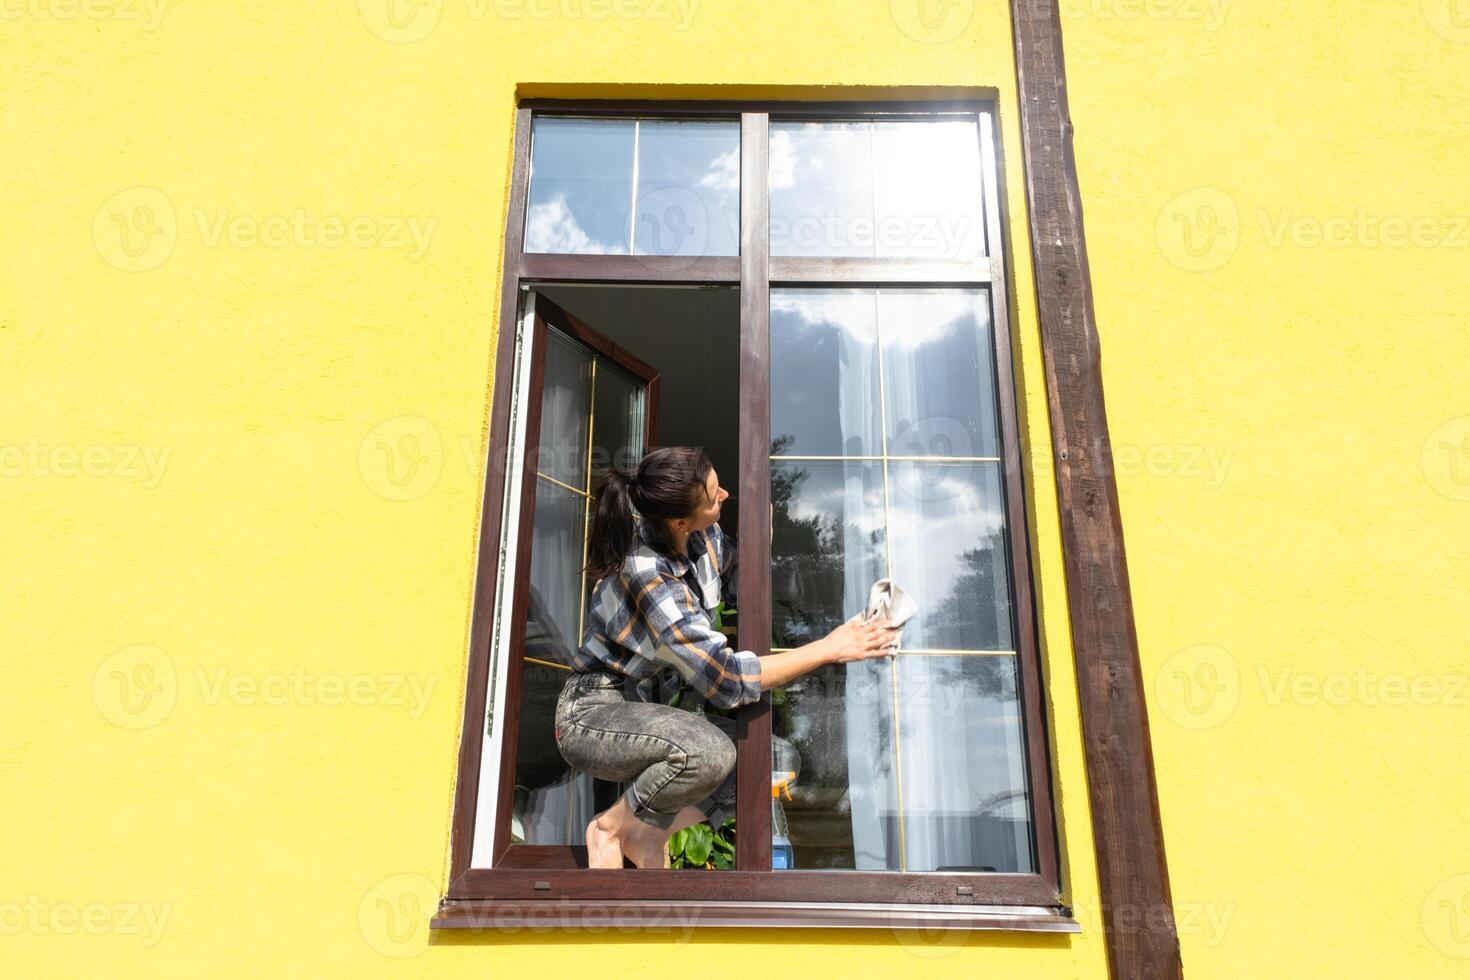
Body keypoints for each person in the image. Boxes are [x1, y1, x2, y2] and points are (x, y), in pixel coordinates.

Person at [553, 446, 897, 869]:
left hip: (646, 712)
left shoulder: (704, 537)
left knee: (766, 760)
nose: (726, 496)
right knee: (708, 751)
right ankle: (611, 828)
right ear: (680, 521)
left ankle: (648, 834)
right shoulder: (646, 572)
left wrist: (759, 546)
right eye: (715, 496)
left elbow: (736, 589)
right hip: (592, 713)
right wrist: (831, 648)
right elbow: (726, 681)